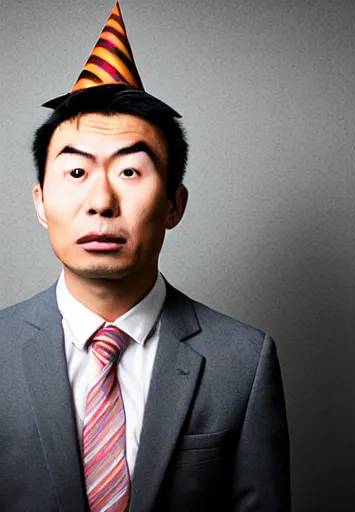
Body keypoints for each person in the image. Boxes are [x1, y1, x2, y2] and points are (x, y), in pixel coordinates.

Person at [0, 3, 290, 511]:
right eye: (75, 173)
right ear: (41, 203)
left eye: (131, 172)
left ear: (174, 204)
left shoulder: (243, 362)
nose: (102, 200)